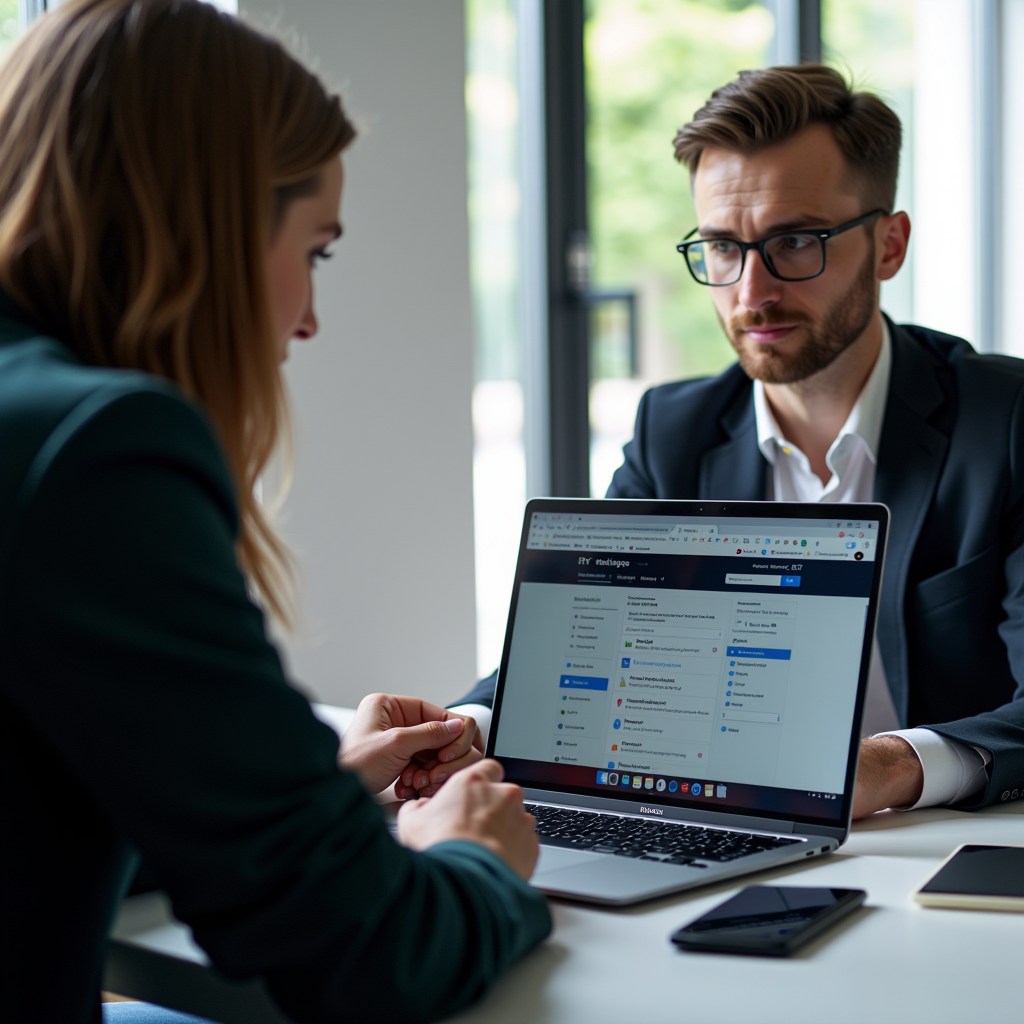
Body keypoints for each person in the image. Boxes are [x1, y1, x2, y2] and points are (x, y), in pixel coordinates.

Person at [0, 3, 549, 1023]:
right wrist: (472, 855)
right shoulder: (98, 451)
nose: (307, 316)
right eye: (317, 249)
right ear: (205, 223)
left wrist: (303, 801)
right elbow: (369, 956)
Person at [460, 64, 1024, 820]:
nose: (752, 293)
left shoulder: (1007, 418)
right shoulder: (674, 431)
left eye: (795, 242)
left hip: (931, 854)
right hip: (719, 833)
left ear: (889, 246)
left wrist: (886, 768)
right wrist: (458, 728)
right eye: (723, 248)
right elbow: (567, 660)